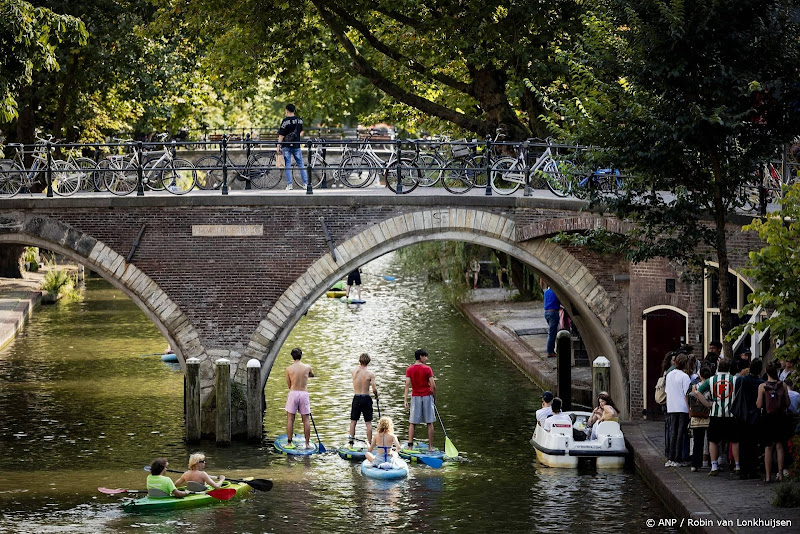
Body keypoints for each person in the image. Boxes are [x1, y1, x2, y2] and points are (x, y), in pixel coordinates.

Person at [695, 358, 739, 476]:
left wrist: (708, 404)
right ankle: (737, 465)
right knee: (734, 440)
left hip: (715, 414)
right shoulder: (735, 380)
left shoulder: (711, 380)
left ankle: (714, 465)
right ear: (729, 368)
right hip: (730, 414)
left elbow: (698, 392)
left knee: (713, 440)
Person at [756, 362, 791, 482]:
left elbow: (759, 404)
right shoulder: (783, 385)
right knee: (780, 447)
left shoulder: (762, 386)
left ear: (766, 371)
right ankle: (780, 474)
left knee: (768, 447)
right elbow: (787, 403)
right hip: (780, 418)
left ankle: (767, 476)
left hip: (767, 418)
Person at [404, 348, 436, 451]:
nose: (426, 358)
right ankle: (430, 447)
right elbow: (433, 385)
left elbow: (407, 385)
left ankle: (410, 446)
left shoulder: (409, 369)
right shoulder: (427, 369)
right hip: (427, 396)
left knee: (412, 422)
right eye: (425, 356)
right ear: (421, 357)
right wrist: (434, 397)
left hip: (415, 396)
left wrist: (405, 400)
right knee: (429, 422)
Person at [285, 347, 315, 449]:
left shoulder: (288, 369)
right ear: (301, 355)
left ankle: (289, 443)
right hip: (303, 393)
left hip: (293, 393)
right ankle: (307, 443)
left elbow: (289, 385)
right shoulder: (307, 367)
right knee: (306, 419)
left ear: (292, 357)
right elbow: (312, 375)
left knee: (290, 419)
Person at [665, 353, 691, 467]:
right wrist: (690, 410)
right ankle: (678, 458)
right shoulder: (685, 377)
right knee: (681, 433)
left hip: (671, 407)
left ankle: (671, 457)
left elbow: (667, 391)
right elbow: (687, 394)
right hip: (682, 408)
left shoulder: (669, 375)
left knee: (673, 433)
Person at [349, 352, 378, 445]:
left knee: (353, 421)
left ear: (359, 361)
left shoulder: (354, 371)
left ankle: (351, 442)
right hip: (366, 398)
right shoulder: (370, 374)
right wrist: (376, 396)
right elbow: (374, 389)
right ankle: (369, 443)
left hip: (356, 397)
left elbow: (355, 371)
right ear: (368, 362)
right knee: (368, 422)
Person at [277, 103, 307, 190]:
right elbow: (301, 131)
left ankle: (289, 185)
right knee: (301, 164)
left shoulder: (285, 121)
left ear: (287, 110)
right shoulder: (299, 120)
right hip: (296, 145)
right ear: (294, 110)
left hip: (286, 145)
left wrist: (278, 145)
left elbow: (281, 135)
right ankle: (305, 184)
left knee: (288, 165)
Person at [542, 283, 561, 358]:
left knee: (552, 332)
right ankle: (550, 351)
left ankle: (552, 350)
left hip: (547, 312)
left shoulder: (546, 292)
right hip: (553, 313)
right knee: (552, 333)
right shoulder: (555, 292)